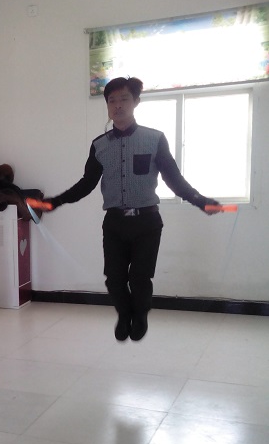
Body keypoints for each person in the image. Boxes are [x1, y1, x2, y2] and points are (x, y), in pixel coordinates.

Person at [39, 77, 220, 342]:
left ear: (136, 102)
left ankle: (141, 315)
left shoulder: (154, 139)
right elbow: (87, 184)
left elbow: (174, 179)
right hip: (114, 223)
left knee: (140, 278)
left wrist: (201, 201)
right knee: (114, 279)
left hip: (147, 222)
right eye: (112, 100)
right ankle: (124, 315)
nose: (118, 105)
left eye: (124, 99)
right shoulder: (99, 146)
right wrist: (54, 202)